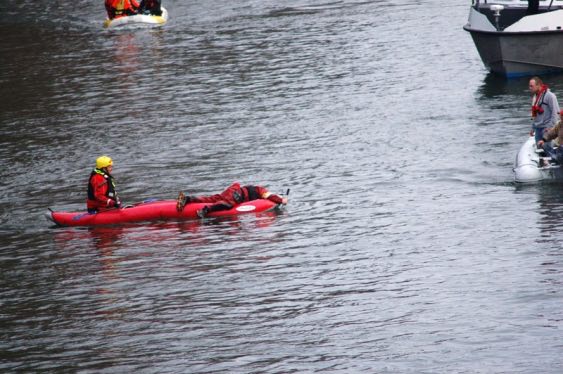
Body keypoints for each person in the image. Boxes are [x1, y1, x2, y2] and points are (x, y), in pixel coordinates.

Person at [176, 182, 288, 217]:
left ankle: (188, 199)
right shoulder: (261, 190)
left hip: (233, 190)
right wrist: (281, 200)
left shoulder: (258, 190)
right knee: (228, 204)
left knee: (212, 198)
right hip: (237, 194)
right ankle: (205, 210)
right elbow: (269, 196)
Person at [528, 76, 560, 146]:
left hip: (546, 128)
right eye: (529, 86)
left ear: (538, 85)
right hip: (538, 128)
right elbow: (534, 115)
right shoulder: (535, 97)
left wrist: (549, 127)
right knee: (539, 149)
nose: (529, 88)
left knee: (548, 149)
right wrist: (533, 128)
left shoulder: (550, 96)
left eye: (531, 86)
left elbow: (555, 113)